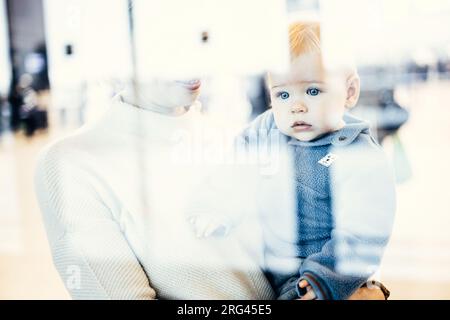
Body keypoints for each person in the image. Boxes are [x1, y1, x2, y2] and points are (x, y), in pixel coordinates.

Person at [189, 21, 395, 300]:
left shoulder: (358, 153)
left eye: (312, 91)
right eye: (283, 94)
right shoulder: (265, 131)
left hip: (323, 279)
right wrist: (217, 209)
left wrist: (323, 279)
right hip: (267, 273)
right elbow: (232, 172)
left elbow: (363, 233)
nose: (296, 106)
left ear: (349, 92)